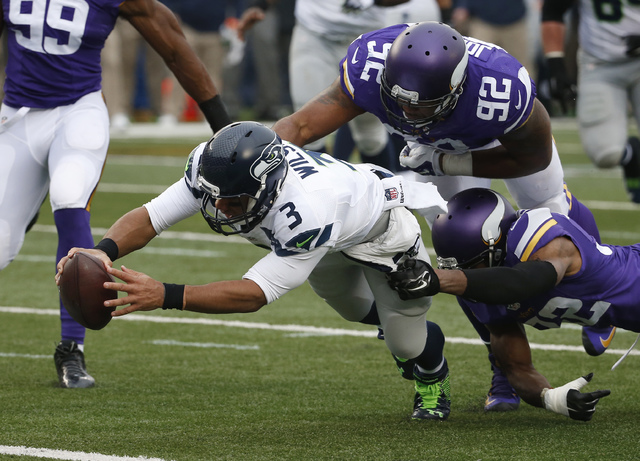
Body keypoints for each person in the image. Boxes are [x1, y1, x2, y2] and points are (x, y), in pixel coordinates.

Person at [270, 20, 616, 411]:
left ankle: (604, 305)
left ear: (454, 89)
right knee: (463, 246)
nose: (406, 109)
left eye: (420, 104)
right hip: (436, 145)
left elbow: (532, 157)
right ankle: (503, 367)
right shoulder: (369, 62)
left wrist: (446, 161)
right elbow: (299, 126)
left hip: (489, 141)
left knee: (552, 214)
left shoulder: (500, 88)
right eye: (398, 98)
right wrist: (256, 166)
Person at [55, 121, 453, 420]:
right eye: (215, 198)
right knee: (349, 308)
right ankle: (389, 320)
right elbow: (152, 216)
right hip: (330, 230)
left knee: (406, 342)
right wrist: (102, 250)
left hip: (380, 228)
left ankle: (432, 372)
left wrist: (167, 295)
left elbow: (254, 293)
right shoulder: (213, 170)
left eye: (233, 201)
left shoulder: (307, 213)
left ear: (268, 187)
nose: (220, 209)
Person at [0, 0, 231, 389]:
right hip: (18, 116)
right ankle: (26, 206)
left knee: (70, 198)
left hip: (78, 112)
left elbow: (174, 47)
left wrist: (224, 129)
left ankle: (71, 349)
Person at [388, 187, 622, 420]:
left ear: (494, 245)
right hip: (519, 274)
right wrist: (554, 398)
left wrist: (447, 163)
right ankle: (499, 370)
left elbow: (522, 280)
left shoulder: (547, 237)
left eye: (471, 264)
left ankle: (600, 318)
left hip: (611, 285)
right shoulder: (485, 263)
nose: (463, 273)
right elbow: (516, 362)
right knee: (474, 289)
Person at [237, 0, 413, 171]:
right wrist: (260, 5)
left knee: (370, 135)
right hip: (314, 33)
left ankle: (386, 195)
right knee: (305, 125)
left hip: (368, 38)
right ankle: (317, 195)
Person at [541, 0, 640, 204]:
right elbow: (553, 10)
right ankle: (633, 156)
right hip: (600, 66)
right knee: (605, 153)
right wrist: (556, 65)